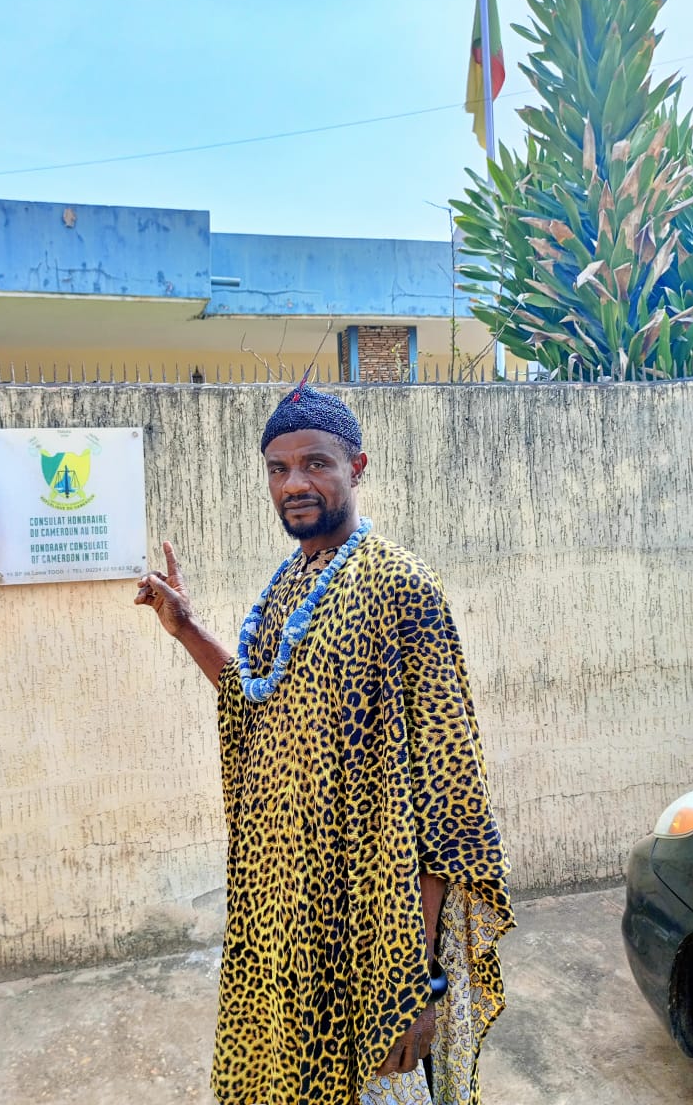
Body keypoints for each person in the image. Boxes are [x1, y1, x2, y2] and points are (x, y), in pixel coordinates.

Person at [136, 386, 515, 1105]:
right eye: (278, 469)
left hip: (369, 930)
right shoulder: (289, 586)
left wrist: (417, 979)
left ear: (356, 467)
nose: (294, 484)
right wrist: (185, 627)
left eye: (315, 463)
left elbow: (449, 795)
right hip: (282, 916)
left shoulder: (402, 587)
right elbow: (258, 702)